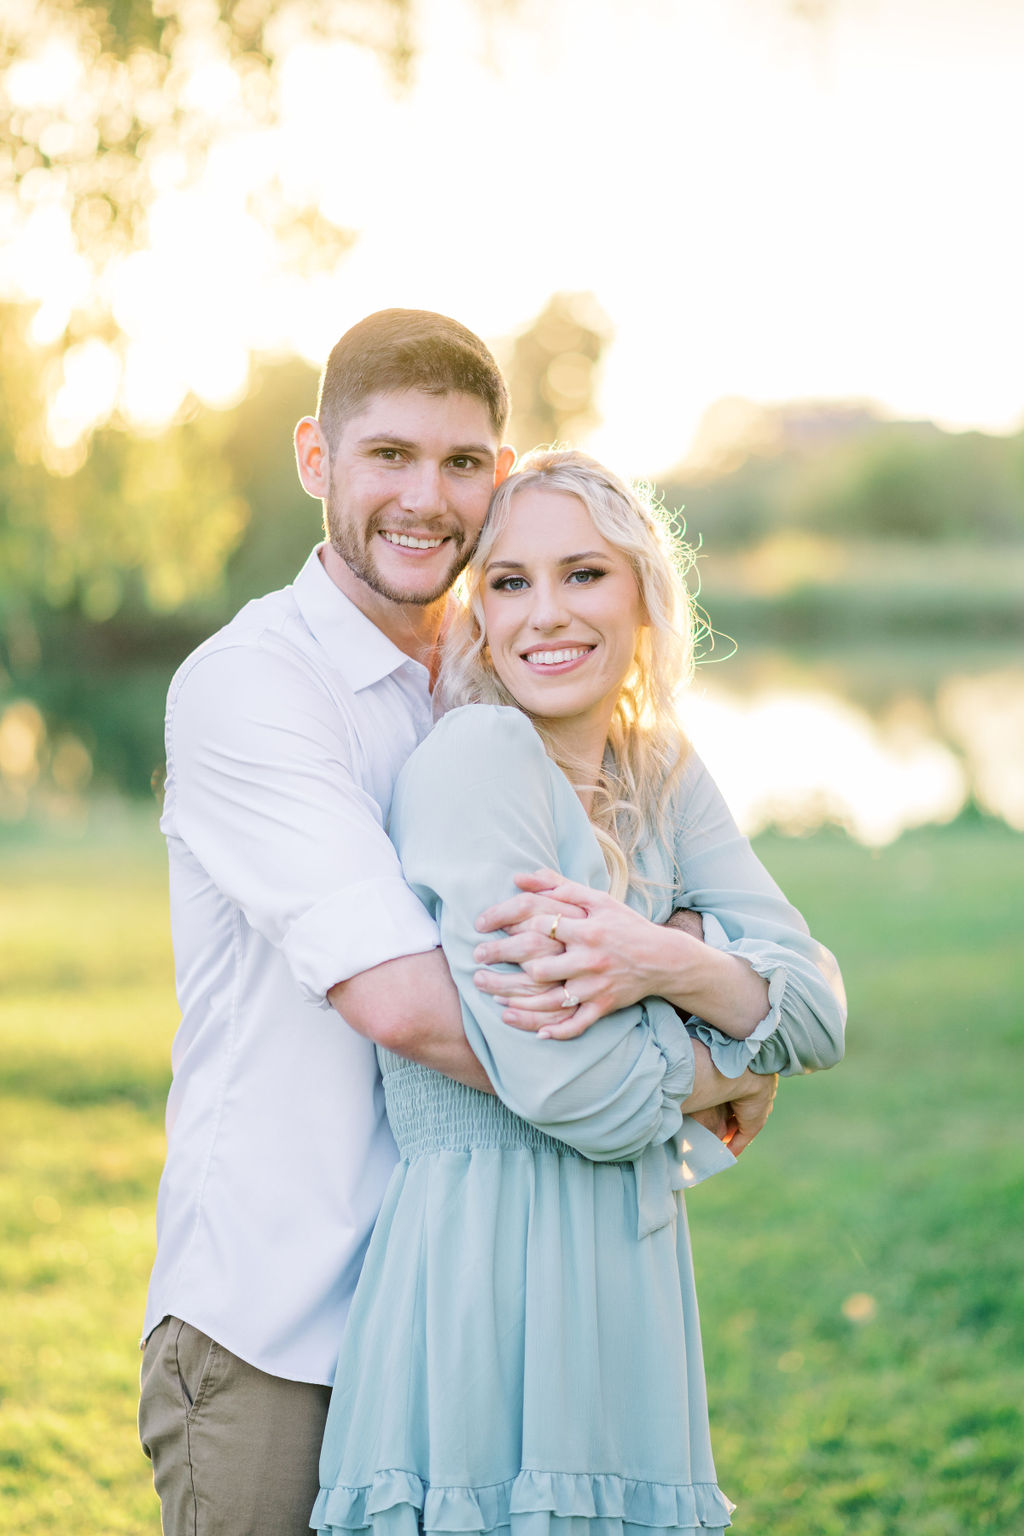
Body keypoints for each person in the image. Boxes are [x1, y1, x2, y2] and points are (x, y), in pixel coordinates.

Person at [138, 311, 764, 1536]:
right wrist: (704, 1063)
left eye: (464, 462)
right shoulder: (254, 687)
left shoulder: (503, 684)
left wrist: (708, 980)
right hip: (284, 1325)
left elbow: (664, 910)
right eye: (390, 457)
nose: (427, 498)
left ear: (500, 475)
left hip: (470, 1308)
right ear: (317, 460)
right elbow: (412, 1006)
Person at [312, 450, 847, 1536]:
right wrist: (729, 1054)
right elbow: (582, 1093)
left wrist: (669, 963)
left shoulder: (660, 767)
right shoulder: (476, 760)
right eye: (508, 582)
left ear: (644, 592)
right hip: (481, 1282)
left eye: (583, 574)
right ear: (475, 611)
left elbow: (822, 1009)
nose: (545, 614)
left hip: (627, 1285)